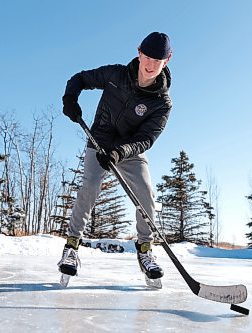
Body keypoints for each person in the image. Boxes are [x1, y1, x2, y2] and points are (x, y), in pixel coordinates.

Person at [57, 32, 173, 281]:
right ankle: (71, 247)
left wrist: (120, 153)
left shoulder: (162, 102)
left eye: (158, 59)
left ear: (168, 60)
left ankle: (144, 250)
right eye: (148, 56)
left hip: (130, 150)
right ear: (139, 52)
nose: (151, 65)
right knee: (89, 187)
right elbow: (80, 78)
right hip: (100, 140)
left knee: (146, 195)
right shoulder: (115, 75)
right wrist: (70, 98)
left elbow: (147, 138)